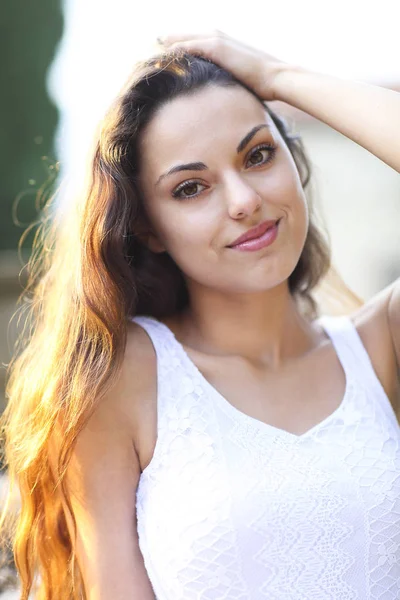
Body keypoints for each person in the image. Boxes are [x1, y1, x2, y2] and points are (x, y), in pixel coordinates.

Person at [1, 29, 399, 600]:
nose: (243, 200)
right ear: (147, 229)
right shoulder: (124, 378)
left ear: (294, 158)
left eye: (258, 154)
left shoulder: (382, 347)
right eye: (191, 188)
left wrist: (281, 78)